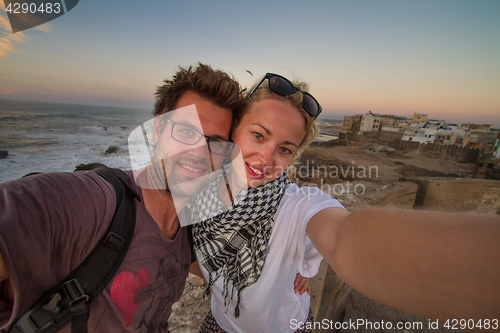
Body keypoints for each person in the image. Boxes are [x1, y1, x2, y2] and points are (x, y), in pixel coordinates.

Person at [187, 73, 500, 333]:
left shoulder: (298, 204)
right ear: (234, 128)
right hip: (221, 322)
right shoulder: (204, 191)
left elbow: (340, 239)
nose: (267, 158)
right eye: (258, 135)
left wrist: (307, 266)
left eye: (285, 149)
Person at [0, 63, 244, 332]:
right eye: (186, 132)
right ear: (156, 129)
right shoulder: (92, 201)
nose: (199, 152)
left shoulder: (188, 233)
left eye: (216, 142)